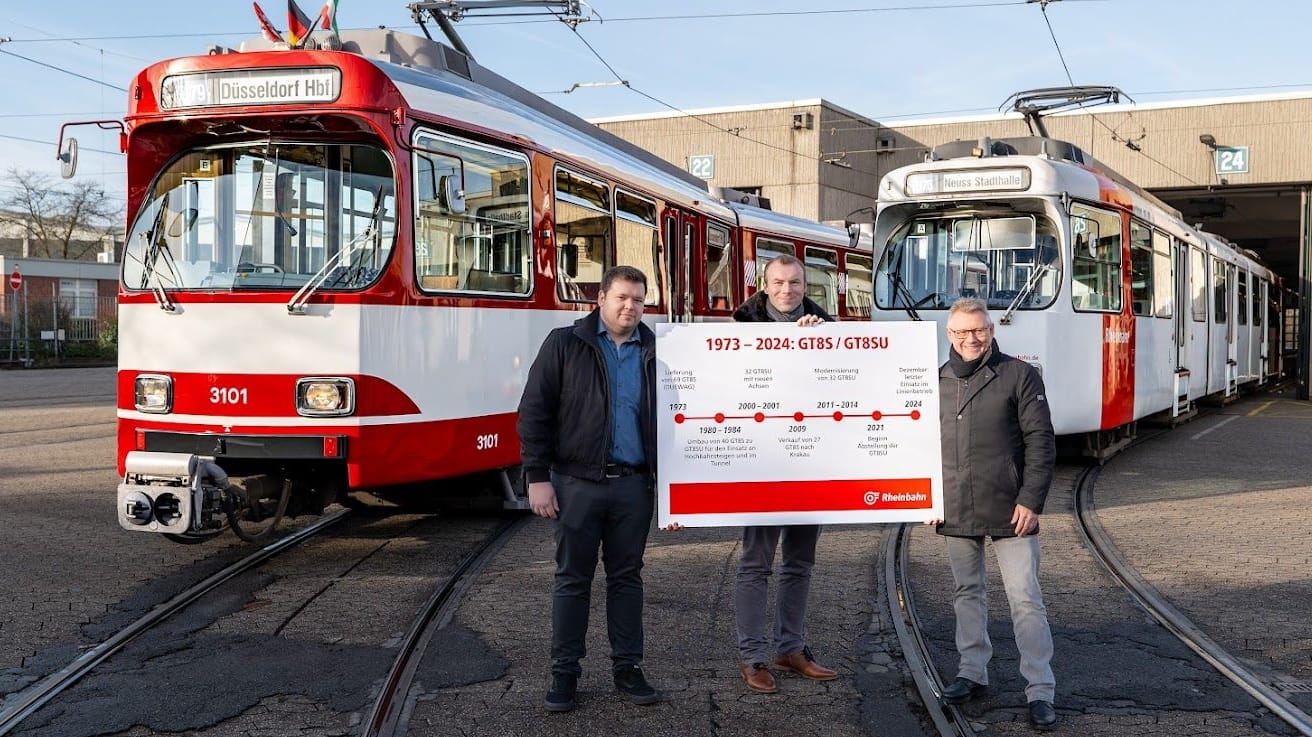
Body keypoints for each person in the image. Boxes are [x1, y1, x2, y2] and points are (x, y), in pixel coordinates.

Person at [517, 265, 660, 713]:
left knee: (626, 579)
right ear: (600, 298)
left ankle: (628, 669)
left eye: (638, 300)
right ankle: (564, 674)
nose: (630, 307)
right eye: (621, 298)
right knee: (572, 580)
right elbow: (534, 411)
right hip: (577, 484)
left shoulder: (656, 350)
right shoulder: (566, 343)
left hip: (634, 486)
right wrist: (536, 477)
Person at [928, 297, 1058, 730]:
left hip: (1011, 507)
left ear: (992, 330)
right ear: (949, 334)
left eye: (979, 330)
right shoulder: (935, 380)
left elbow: (1041, 442)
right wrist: (926, 498)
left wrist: (1031, 500)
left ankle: (1040, 689)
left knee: (1025, 600)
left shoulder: (1020, 375)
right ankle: (971, 673)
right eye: (962, 332)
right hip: (955, 506)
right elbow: (918, 444)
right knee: (967, 592)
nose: (971, 338)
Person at [730, 254, 840, 694]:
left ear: (804, 286)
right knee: (756, 563)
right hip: (762, 462)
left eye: (795, 283)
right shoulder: (741, 328)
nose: (787, 290)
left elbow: (843, 387)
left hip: (809, 462)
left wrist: (819, 346)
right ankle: (753, 656)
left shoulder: (825, 329)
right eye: (778, 283)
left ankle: (790, 648)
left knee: (800, 562)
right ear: (764, 284)